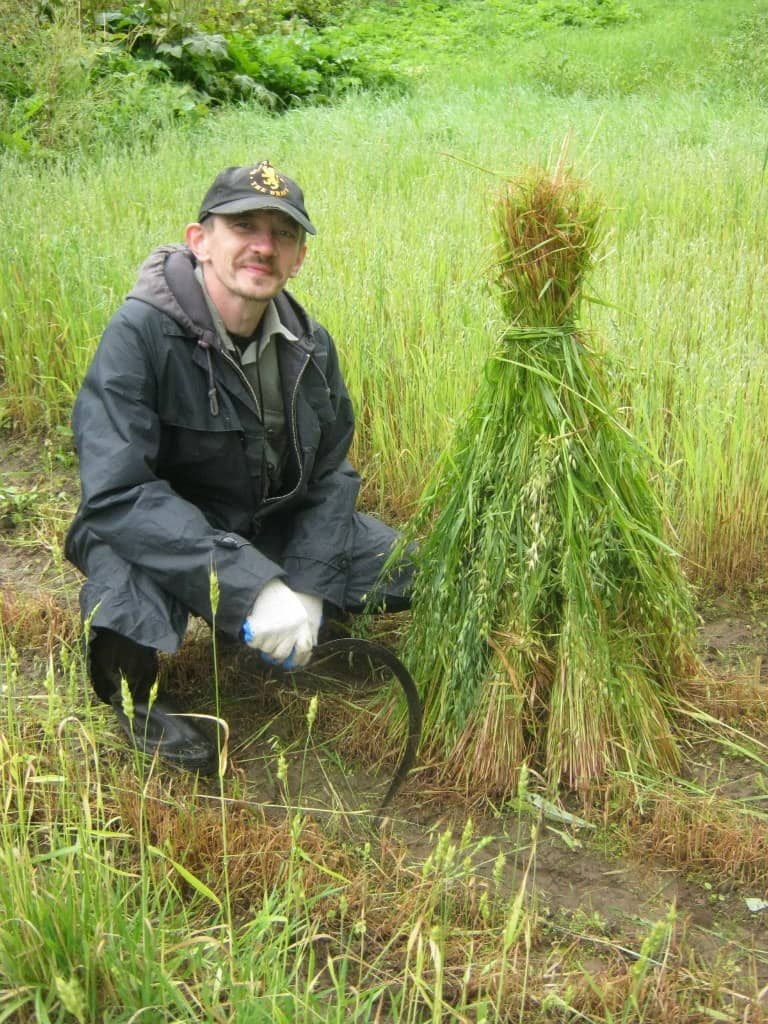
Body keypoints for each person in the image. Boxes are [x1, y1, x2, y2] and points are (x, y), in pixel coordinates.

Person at [65, 160, 413, 774]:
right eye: (244, 226)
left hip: (261, 520)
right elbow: (118, 492)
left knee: (407, 567)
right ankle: (135, 700)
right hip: (161, 528)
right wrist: (253, 589)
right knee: (124, 586)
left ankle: (298, 626)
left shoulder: (310, 346)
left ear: (299, 257)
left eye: (283, 234)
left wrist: (306, 586)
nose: (264, 246)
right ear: (200, 241)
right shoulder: (139, 332)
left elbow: (333, 473)